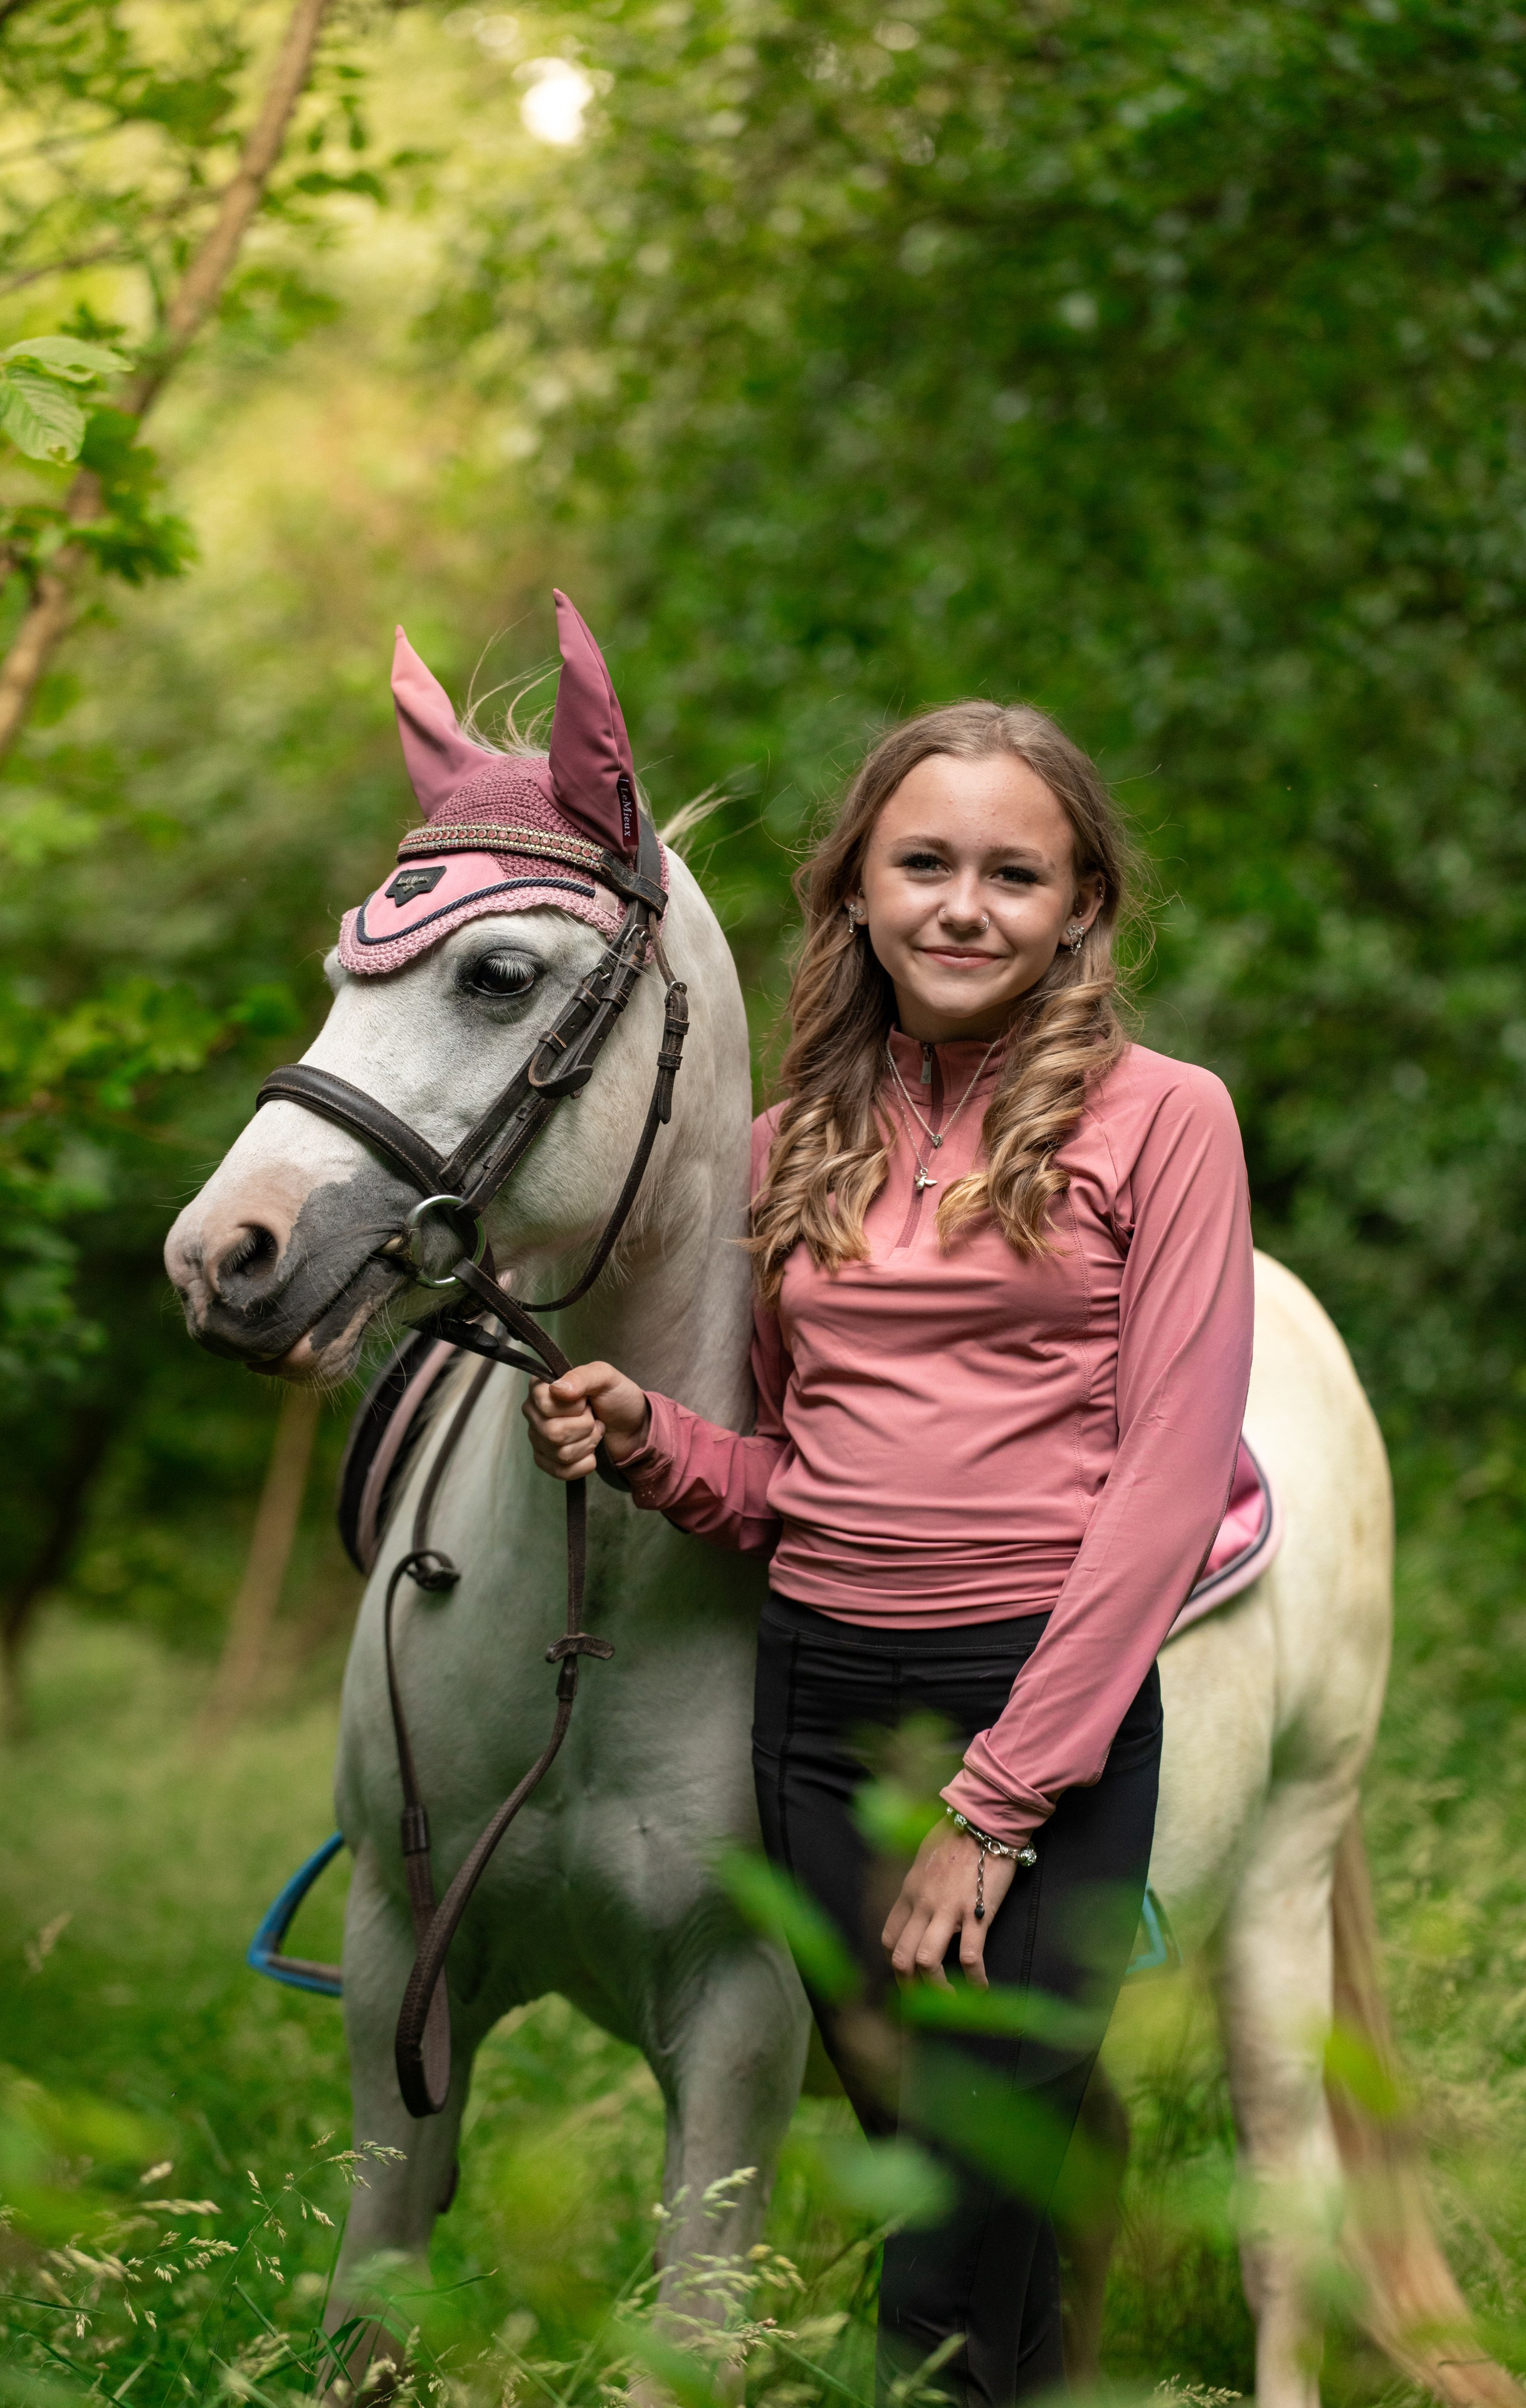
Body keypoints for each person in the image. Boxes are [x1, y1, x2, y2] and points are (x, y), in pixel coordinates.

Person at [524, 701, 1253, 2405]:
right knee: (947, 2178)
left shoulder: (1168, 1120)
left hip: (1036, 1712)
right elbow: (799, 1478)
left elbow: (1166, 1479)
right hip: (821, 1709)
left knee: (939, 2251)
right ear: (855, 884)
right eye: (924, 863)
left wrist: (995, 1810)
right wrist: (655, 1443)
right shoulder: (795, 1150)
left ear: (1083, 905)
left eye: (1017, 873)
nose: (964, 905)